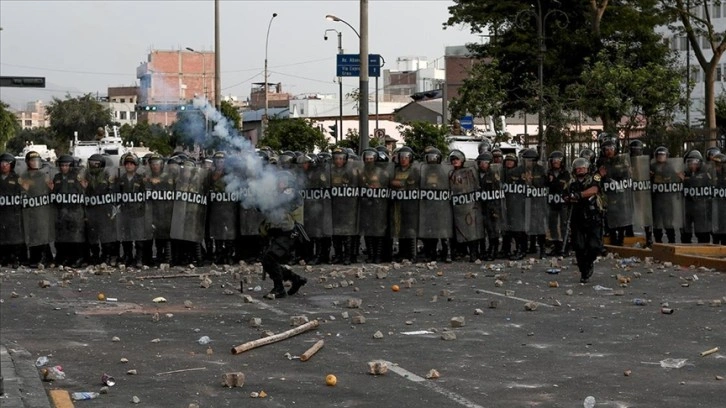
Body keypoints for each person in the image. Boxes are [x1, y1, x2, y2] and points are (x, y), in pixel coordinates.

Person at [258, 171, 307, 299]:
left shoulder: (291, 194)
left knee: (270, 258)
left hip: (290, 232)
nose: (280, 184)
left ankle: (279, 288)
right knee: (268, 260)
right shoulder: (278, 194)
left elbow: (280, 205)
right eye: (279, 181)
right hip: (280, 233)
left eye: (283, 181)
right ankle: (295, 278)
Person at [566, 157, 604, 283]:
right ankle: (584, 271)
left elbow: (594, 189)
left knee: (594, 246)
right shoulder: (571, 182)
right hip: (577, 217)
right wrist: (569, 197)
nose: (580, 169)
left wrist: (580, 195)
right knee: (578, 246)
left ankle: (589, 262)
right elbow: (564, 194)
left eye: (582, 167)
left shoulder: (594, 178)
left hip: (592, 215)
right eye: (577, 168)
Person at [52, 155, 86, 267]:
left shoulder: (77, 177)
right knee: (62, 235)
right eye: (62, 165)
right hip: (61, 211)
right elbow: (53, 193)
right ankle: (64, 257)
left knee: (75, 236)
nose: (64, 168)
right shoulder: (57, 177)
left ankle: (78, 258)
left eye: (66, 165)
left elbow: (83, 192)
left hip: (75, 211)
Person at [476, 151, 503, 261]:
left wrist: (495, 208)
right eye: (481, 162)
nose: (483, 164)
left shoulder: (493, 175)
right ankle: (482, 251)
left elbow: (497, 192)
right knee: (480, 230)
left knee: (493, 230)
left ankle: (493, 250)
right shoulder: (475, 174)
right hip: (479, 205)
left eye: (486, 162)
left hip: (491, 205)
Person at [0, 152, 24, 268]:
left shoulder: (16, 179)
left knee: (14, 237)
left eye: (7, 163)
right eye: (2, 163)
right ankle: (3, 258)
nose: (4, 165)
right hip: (1, 212)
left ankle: (15, 258)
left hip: (13, 212)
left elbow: (24, 193)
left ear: (12, 165)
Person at [545, 151, 571, 256]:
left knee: (564, 225)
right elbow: (544, 184)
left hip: (563, 203)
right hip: (552, 203)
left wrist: (552, 181)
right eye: (553, 160)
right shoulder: (547, 173)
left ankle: (565, 247)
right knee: (552, 225)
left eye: (558, 160)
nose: (556, 162)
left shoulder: (565, 173)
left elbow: (562, 185)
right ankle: (556, 246)